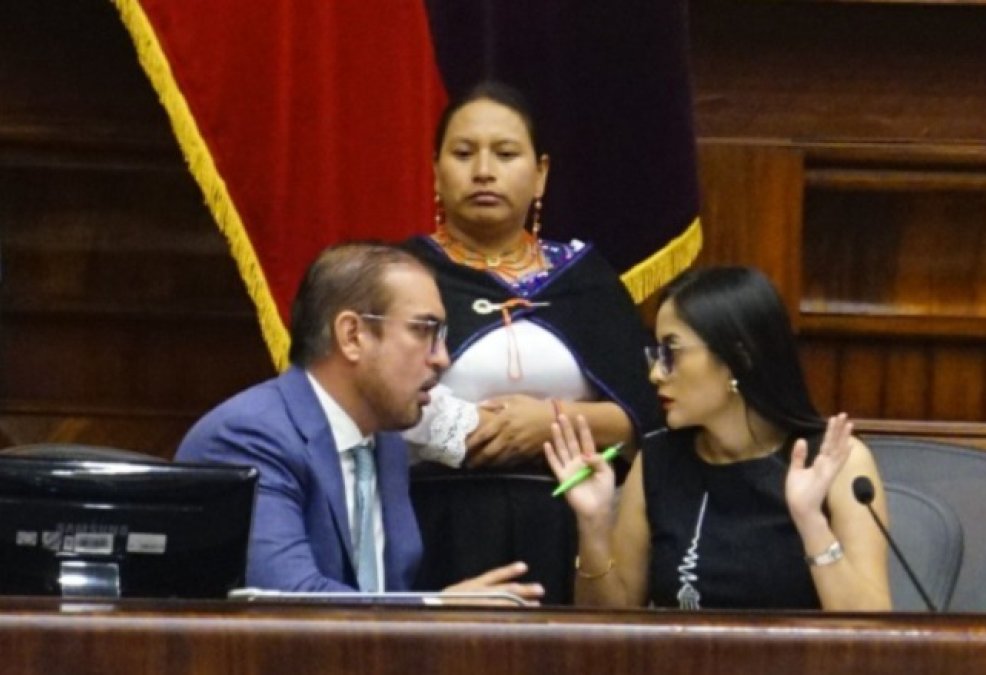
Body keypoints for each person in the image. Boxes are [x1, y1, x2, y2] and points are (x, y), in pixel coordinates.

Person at [398, 82, 661, 603]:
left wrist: (550, 423)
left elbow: (645, 418)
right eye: (464, 154)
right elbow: (365, 404)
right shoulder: (400, 275)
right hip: (433, 525)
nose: (483, 171)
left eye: (505, 154)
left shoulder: (586, 279)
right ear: (435, 171)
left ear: (540, 174)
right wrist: (465, 428)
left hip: (573, 523)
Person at [176, 242, 543, 602]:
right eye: (423, 330)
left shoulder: (385, 442)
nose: (442, 358)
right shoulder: (249, 438)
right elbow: (288, 603)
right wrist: (434, 610)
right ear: (352, 336)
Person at [544, 266, 892, 610]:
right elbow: (607, 627)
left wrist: (812, 522)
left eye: (672, 352)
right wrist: (593, 526)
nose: (655, 374)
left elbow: (870, 630)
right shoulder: (657, 462)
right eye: (656, 354)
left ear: (737, 357)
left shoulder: (835, 461)